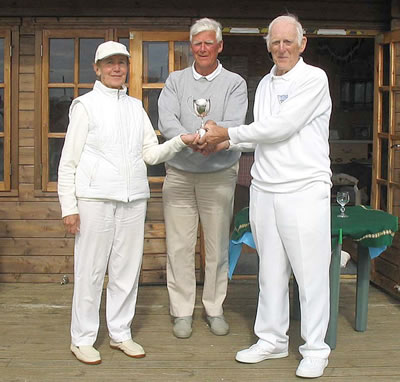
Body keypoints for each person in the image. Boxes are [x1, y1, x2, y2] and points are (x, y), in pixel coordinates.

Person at [201, 14, 332, 379]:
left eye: (288, 41)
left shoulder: (314, 79)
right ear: (269, 46)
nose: (282, 48)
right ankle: (272, 340)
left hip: (304, 189)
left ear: (302, 43)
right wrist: (223, 140)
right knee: (270, 272)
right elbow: (260, 134)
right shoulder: (264, 86)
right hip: (265, 188)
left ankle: (315, 348)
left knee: (311, 274)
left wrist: (227, 132)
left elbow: (282, 127)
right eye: (275, 42)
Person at [58, 41, 198, 365]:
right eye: (109, 63)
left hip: (134, 199)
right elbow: (68, 162)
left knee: (126, 271)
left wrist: (179, 141)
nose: (116, 68)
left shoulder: (136, 107)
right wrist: (69, 207)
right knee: (90, 271)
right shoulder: (85, 105)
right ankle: (82, 339)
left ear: (127, 68)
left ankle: (120, 333)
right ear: (97, 69)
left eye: (121, 63)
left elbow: (150, 153)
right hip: (94, 199)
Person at [157, 17, 248, 339]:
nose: (203, 48)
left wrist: (210, 141)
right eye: (198, 43)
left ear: (220, 46)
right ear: (191, 46)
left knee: (217, 247)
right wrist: (189, 140)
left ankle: (214, 308)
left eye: (209, 42)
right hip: (180, 174)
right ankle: (182, 312)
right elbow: (166, 119)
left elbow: (234, 121)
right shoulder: (175, 81)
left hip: (219, 174)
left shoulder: (235, 82)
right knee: (179, 247)